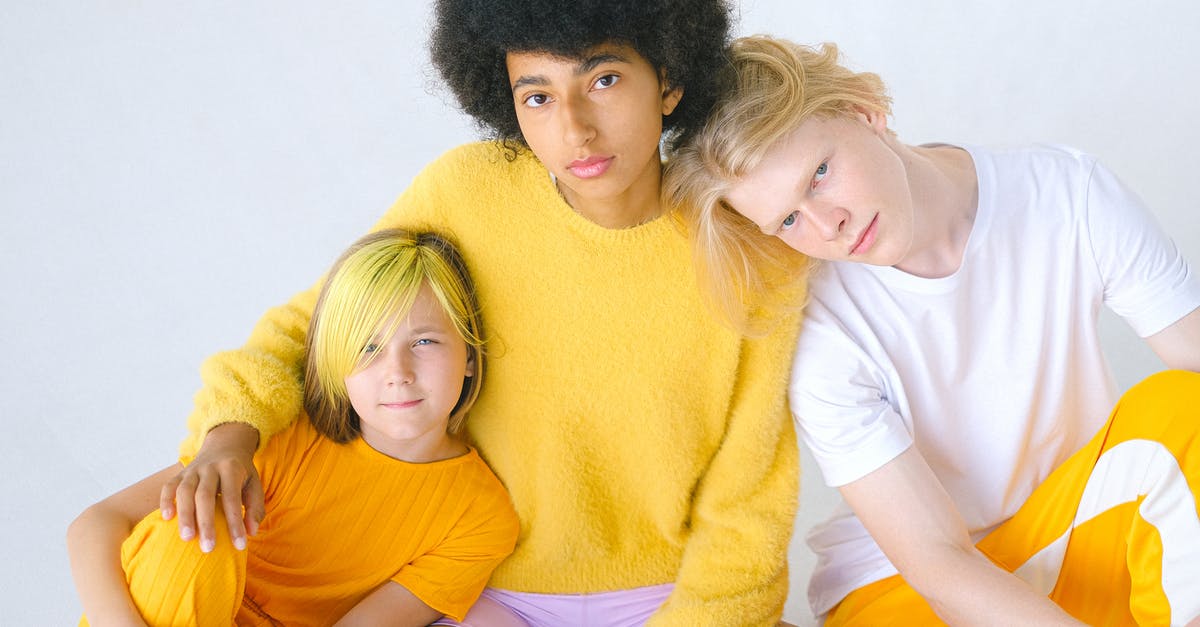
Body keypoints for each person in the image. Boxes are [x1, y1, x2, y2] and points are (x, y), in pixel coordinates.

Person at [156, 2, 807, 625]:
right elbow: (320, 327)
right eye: (538, 96)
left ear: (669, 79)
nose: (574, 129)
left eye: (603, 79)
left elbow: (749, 499)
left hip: (671, 593)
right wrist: (228, 436)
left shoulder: (747, 247)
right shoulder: (471, 193)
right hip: (490, 592)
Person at [665, 35, 1200, 625]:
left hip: (1074, 531)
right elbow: (939, 565)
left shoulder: (1068, 194)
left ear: (864, 113)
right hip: (909, 590)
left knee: (1184, 408)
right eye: (788, 219)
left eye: (818, 174)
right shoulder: (818, 330)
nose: (827, 225)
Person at [67, 229, 520, 625]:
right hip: (154, 611)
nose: (397, 371)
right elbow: (96, 523)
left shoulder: (480, 517)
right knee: (198, 525)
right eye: (367, 348)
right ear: (333, 365)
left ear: (469, 357)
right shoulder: (280, 435)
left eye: (424, 341)